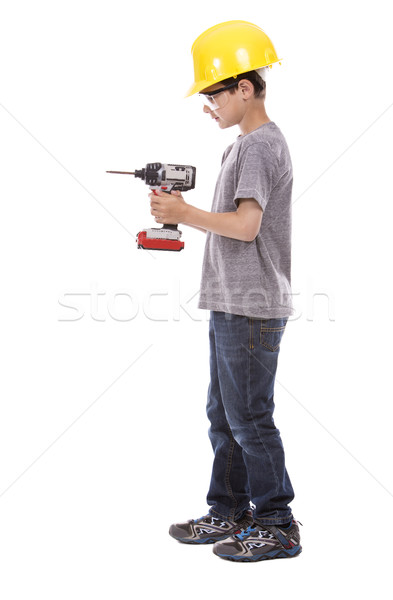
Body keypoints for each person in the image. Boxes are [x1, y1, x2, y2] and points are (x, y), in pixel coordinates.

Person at [148, 20, 302, 563]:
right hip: (232, 303)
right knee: (224, 414)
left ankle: (278, 522)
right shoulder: (244, 146)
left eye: (213, 94)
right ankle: (231, 509)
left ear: (245, 88)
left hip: (252, 305)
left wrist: (182, 213)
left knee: (250, 416)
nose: (207, 105)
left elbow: (246, 226)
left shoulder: (259, 147)